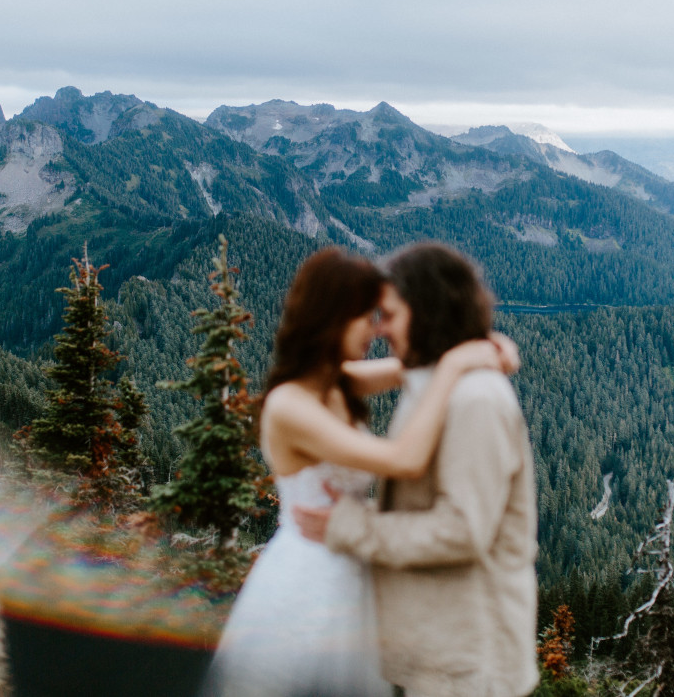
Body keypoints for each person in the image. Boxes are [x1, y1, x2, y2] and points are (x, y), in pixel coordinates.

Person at [203, 246, 516, 697]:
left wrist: (484, 346)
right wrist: (455, 365)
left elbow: (413, 363)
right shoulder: (290, 405)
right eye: (366, 317)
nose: (376, 328)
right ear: (332, 317)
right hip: (308, 583)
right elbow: (405, 459)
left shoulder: (336, 381)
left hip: (355, 567)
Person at [294, 242, 539, 697]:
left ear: (426, 311)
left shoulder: (476, 400)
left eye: (389, 314)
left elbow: (462, 530)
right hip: (440, 649)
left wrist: (351, 525)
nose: (380, 328)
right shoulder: (432, 382)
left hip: (468, 661)